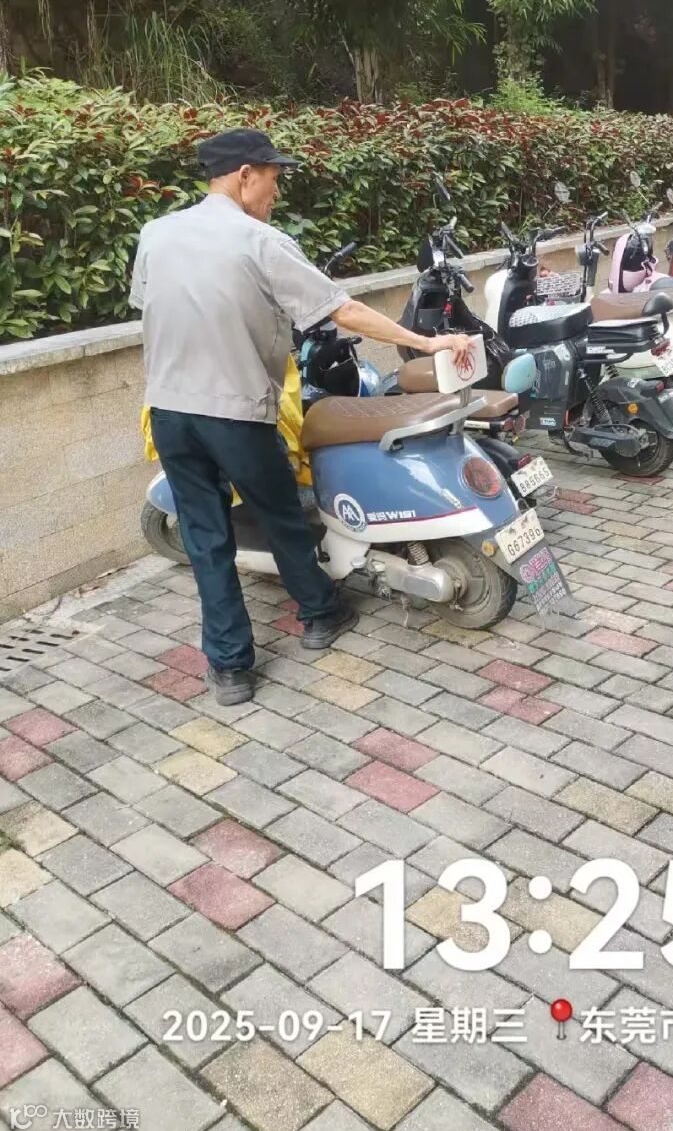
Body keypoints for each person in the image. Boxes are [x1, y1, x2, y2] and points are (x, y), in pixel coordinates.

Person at [130, 128, 472, 706]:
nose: (276, 192)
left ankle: (230, 671)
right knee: (282, 515)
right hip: (235, 413)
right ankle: (319, 612)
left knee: (205, 538)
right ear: (245, 175)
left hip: (168, 412)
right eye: (273, 178)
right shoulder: (260, 241)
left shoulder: (155, 234)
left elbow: (154, 308)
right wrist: (427, 342)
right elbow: (344, 310)